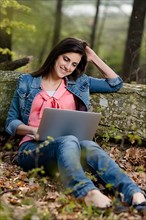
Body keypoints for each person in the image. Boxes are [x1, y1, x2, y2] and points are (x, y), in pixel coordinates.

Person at [5, 37, 145, 211]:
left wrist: (92, 56)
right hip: (32, 150)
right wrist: (32, 130)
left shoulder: (79, 82)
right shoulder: (27, 82)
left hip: (69, 152)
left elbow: (115, 83)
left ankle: (134, 193)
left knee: (88, 145)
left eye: (74, 64)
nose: (68, 67)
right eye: (66, 59)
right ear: (56, 55)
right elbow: (11, 122)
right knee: (68, 140)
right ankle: (87, 193)